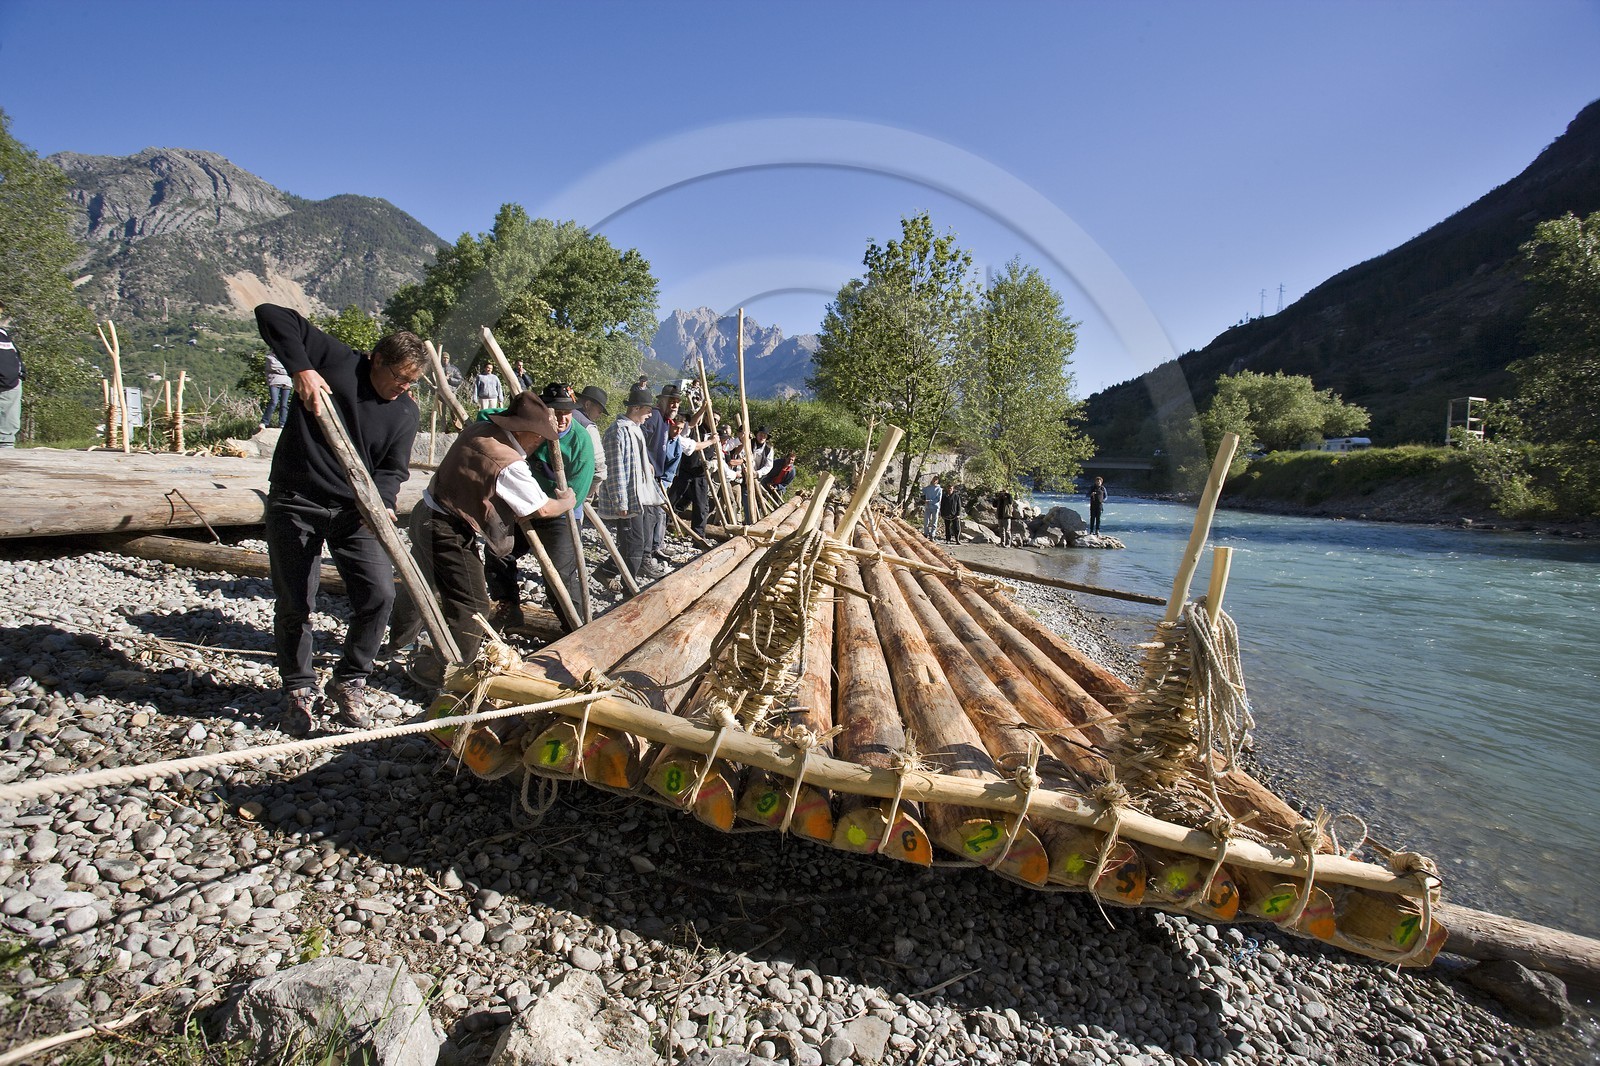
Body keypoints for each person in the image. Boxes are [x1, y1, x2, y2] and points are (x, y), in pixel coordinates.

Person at [256, 302, 426, 734]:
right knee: (296, 599)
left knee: (379, 595)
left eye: (412, 381)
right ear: (376, 359)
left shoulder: (406, 411)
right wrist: (301, 369)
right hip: (297, 498)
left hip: (355, 510)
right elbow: (271, 314)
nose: (403, 387)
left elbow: (392, 468)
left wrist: (384, 500)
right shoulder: (337, 362)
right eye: (398, 376)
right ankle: (298, 685)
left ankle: (350, 679)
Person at [389, 391, 575, 687]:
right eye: (538, 436)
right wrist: (567, 500)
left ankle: (397, 645)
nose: (539, 442)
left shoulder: (480, 429)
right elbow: (541, 508)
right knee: (472, 603)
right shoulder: (507, 460)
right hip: (446, 526)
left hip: (428, 512)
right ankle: (451, 673)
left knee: (422, 582)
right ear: (525, 431)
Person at [481, 383, 594, 633]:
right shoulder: (531, 427)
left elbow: (574, 495)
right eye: (554, 412)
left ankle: (576, 630)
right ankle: (508, 607)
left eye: (567, 412)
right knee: (499, 552)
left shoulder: (580, 440)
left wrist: (541, 507)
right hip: (524, 508)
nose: (562, 419)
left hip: (560, 516)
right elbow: (485, 415)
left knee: (558, 577)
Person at [597, 383, 667, 589]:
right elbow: (616, 468)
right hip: (628, 497)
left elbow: (635, 461)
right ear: (635, 408)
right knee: (634, 545)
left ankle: (606, 572)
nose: (648, 415)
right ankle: (630, 589)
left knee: (637, 542)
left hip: (640, 495)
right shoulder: (616, 432)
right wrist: (620, 501)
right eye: (647, 410)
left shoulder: (634, 430)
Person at [639, 383, 682, 558]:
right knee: (650, 515)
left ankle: (654, 548)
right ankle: (646, 554)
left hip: (656, 476)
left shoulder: (665, 422)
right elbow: (639, 437)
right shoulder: (654, 416)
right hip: (645, 475)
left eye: (677, 402)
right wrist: (645, 461)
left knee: (657, 513)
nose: (675, 405)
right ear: (662, 400)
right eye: (671, 401)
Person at [575, 385, 609, 491]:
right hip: (575, 489)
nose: (599, 416)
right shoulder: (588, 427)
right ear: (587, 404)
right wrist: (587, 492)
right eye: (599, 411)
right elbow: (600, 469)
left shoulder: (560, 415)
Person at [0, 305, 22, 449]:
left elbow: (15, 356)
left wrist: (21, 374)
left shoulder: (3, 333)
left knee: (7, 436)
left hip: (11, 387)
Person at [260, 352, 291, 429]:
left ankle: (282, 423)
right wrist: (286, 368)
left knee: (284, 404)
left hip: (287, 383)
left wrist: (285, 368)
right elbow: (273, 366)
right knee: (274, 401)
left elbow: (292, 367)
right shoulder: (270, 357)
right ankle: (264, 422)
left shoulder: (288, 356)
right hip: (274, 381)